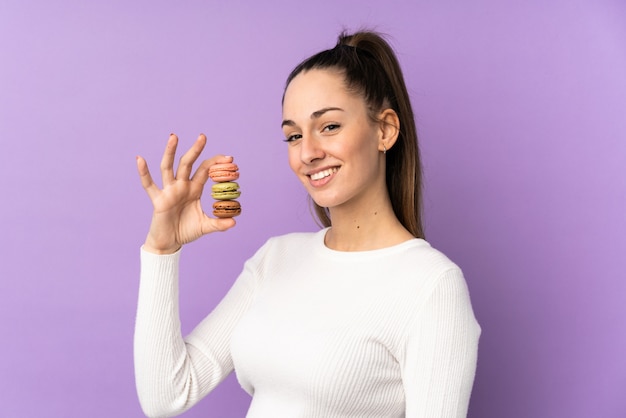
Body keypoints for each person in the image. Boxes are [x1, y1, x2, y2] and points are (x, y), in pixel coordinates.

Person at [134, 30, 480, 418]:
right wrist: (161, 250)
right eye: (294, 135)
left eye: (329, 126)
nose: (308, 153)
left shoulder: (432, 286)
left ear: (385, 130)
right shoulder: (276, 258)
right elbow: (166, 395)